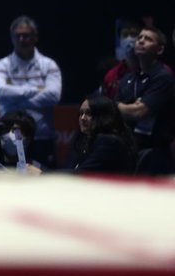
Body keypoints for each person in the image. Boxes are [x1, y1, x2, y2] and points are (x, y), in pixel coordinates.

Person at [0, 16, 62, 141]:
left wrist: (17, 103)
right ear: (11, 37)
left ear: (35, 37)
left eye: (26, 35)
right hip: (9, 138)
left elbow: (54, 95)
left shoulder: (49, 65)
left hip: (41, 136)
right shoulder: (2, 65)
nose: (21, 39)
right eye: (17, 36)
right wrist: (35, 90)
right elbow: (1, 92)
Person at [115, 26, 174, 172]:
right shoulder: (127, 79)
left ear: (159, 49)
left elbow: (139, 112)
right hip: (129, 150)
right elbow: (112, 108)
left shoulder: (163, 78)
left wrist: (123, 107)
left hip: (155, 153)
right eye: (140, 38)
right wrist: (126, 107)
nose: (141, 41)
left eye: (148, 39)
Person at [64, 94, 136, 175]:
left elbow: (84, 173)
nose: (82, 118)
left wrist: (49, 175)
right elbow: (71, 168)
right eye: (81, 113)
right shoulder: (81, 138)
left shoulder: (109, 142)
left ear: (103, 116)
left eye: (89, 113)